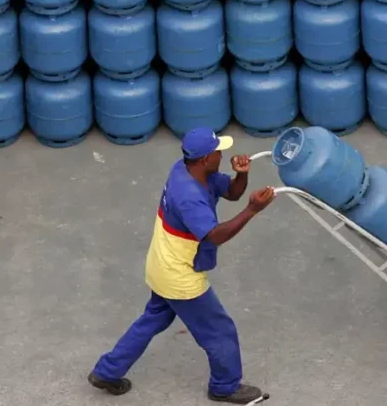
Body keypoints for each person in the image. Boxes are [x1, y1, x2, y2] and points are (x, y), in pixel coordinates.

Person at [88, 127, 277, 404]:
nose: (222, 154)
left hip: (161, 264)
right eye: (218, 151)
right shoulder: (189, 196)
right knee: (219, 330)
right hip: (179, 275)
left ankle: (107, 371)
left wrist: (242, 174)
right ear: (205, 159)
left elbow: (232, 192)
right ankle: (224, 387)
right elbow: (215, 235)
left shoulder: (187, 169)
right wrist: (253, 210)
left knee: (154, 318)